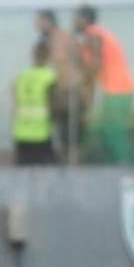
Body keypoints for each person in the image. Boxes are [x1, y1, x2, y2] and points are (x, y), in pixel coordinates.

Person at [73, 4, 134, 163]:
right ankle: (112, 166)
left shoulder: (94, 35)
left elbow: (95, 65)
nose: (73, 21)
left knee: (113, 130)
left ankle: (122, 166)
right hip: (114, 89)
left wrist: (86, 91)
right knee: (106, 131)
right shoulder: (92, 36)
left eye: (76, 17)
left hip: (118, 89)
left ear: (84, 19)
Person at [35, 10, 81, 160]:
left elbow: (60, 65)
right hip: (58, 91)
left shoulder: (60, 38)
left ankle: (70, 165)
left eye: (39, 21)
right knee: (59, 133)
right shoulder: (48, 39)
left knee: (68, 134)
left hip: (66, 91)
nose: (36, 25)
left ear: (48, 21)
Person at [12, 42, 58, 165]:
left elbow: (16, 99)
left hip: (21, 130)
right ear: (48, 56)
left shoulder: (23, 75)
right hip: (40, 132)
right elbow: (53, 103)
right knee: (41, 171)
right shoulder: (50, 76)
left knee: (23, 168)